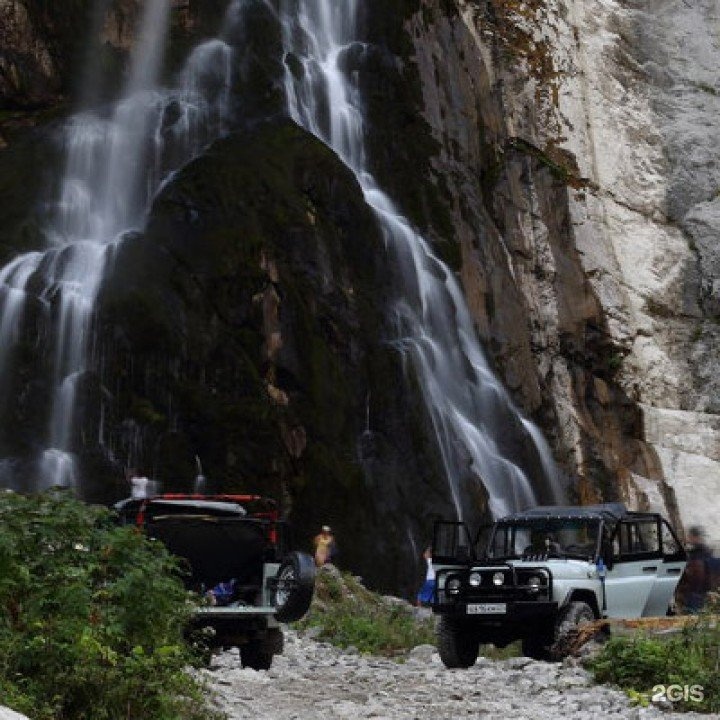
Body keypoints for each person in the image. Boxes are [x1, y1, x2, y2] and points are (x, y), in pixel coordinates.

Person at [679, 526, 714, 613]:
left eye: (690, 536)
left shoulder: (700, 551)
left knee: (694, 611)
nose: (688, 538)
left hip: (697, 588)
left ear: (696, 537)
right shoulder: (698, 550)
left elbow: (699, 572)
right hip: (696, 588)